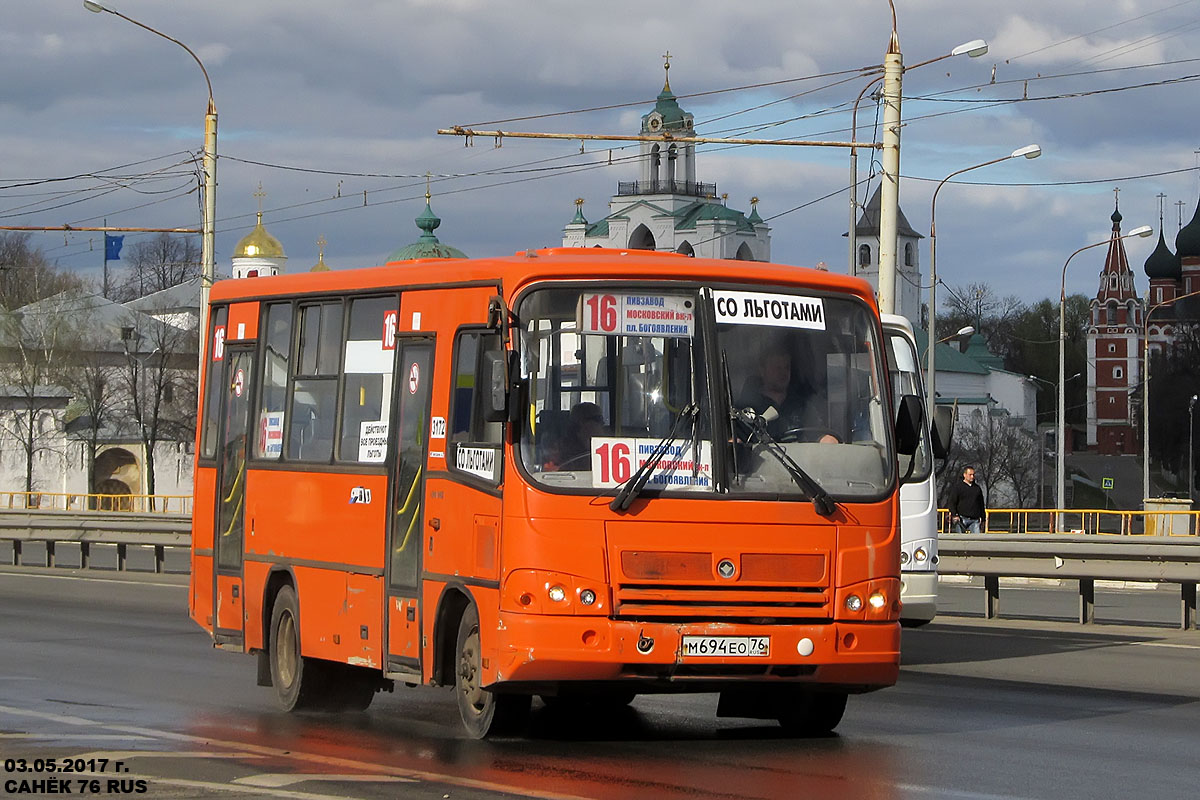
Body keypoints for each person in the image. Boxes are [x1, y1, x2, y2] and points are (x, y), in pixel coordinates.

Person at [739, 342, 835, 443]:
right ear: (762, 370)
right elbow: (736, 443)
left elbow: (821, 436)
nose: (783, 373)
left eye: (786, 367)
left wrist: (831, 442)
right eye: (777, 368)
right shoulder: (747, 410)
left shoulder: (801, 406)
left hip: (799, 458)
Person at [547, 402, 605, 469]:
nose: (602, 423)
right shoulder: (559, 449)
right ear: (582, 422)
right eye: (598, 419)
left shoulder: (606, 446)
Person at [947, 466, 986, 533]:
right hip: (961, 519)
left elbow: (981, 504)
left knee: (977, 540)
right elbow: (952, 502)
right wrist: (954, 515)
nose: (972, 477)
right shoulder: (958, 487)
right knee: (961, 540)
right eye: (970, 475)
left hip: (975, 520)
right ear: (964, 475)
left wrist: (983, 519)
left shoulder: (977, 488)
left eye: (973, 475)